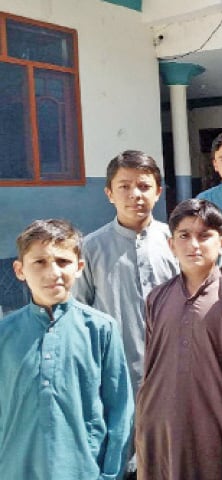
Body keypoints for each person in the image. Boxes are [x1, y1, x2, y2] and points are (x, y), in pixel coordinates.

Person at [0, 219, 133, 479]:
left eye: (63, 261)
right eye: (39, 262)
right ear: (20, 270)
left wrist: (110, 473)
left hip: (84, 470)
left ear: (79, 267)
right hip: (15, 468)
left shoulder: (100, 329)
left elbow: (120, 410)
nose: (53, 273)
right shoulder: (5, 334)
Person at [135, 199, 222, 480]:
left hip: (214, 427)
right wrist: (144, 424)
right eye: (184, 236)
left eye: (204, 236)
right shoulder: (158, 297)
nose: (194, 245)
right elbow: (152, 367)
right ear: (171, 244)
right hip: (160, 426)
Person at [74, 150, 178, 398]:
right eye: (124, 186)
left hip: (174, 370)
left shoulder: (175, 242)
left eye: (144, 186)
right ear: (109, 193)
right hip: (114, 373)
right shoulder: (91, 248)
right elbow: (78, 312)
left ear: (158, 193)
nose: (135, 195)